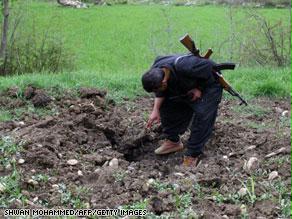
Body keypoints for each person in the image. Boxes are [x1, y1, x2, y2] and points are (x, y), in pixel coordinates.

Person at [141, 54, 223, 167]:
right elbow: (160, 92)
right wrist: (155, 110)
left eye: (158, 89)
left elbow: (212, 68)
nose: (157, 92)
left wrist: (199, 88)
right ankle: (173, 141)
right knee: (167, 103)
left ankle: (193, 154)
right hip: (186, 83)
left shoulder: (185, 66)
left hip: (211, 83)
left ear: (163, 82)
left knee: (202, 114)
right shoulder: (156, 70)